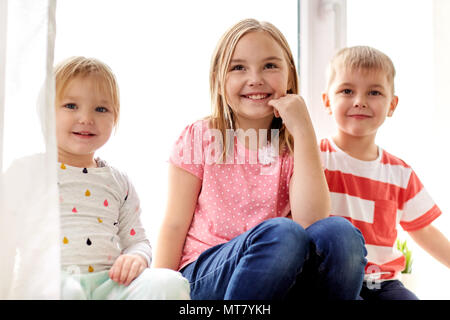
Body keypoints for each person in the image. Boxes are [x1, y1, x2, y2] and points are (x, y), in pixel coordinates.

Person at [153, 19, 367, 300]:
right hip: (207, 274)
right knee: (282, 233)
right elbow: (174, 225)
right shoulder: (201, 136)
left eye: (270, 66)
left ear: (289, 76)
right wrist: (156, 290)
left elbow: (312, 221)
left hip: (278, 274)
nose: (255, 78)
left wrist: (303, 131)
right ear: (219, 80)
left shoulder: (295, 148)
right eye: (238, 67)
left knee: (339, 233)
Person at [55, 56, 190, 300]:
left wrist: (136, 257)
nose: (86, 118)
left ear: (115, 118)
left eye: (101, 109)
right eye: (71, 106)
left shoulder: (117, 181)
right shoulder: (29, 172)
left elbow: (138, 240)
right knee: (66, 291)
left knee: (169, 282)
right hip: (54, 282)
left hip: (108, 284)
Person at [320, 46, 450, 300]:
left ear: (392, 105)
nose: (360, 100)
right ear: (327, 101)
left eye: (374, 92)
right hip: (331, 279)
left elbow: (423, 231)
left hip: (383, 284)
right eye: (347, 90)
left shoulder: (400, 173)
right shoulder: (315, 159)